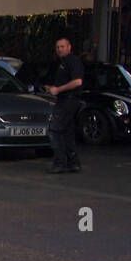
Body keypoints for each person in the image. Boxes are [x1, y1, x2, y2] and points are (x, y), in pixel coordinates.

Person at [43, 36, 84, 173]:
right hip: (64, 99)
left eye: (62, 46)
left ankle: (60, 162)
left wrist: (58, 89)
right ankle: (73, 162)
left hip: (69, 100)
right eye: (57, 47)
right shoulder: (61, 63)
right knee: (67, 131)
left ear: (69, 47)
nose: (59, 49)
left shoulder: (72, 61)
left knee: (54, 130)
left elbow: (77, 81)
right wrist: (51, 88)